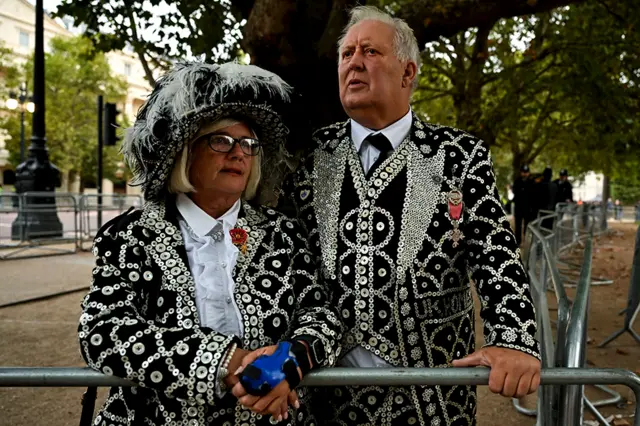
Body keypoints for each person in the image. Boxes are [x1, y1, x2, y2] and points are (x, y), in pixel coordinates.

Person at [279, 6, 540, 426]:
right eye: (346, 54)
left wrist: (513, 339)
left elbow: (496, 254)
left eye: (370, 51)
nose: (354, 62)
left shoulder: (459, 156)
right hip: (324, 397)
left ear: (408, 72)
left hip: (431, 397)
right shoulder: (309, 157)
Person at [78, 62, 342, 426]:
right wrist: (225, 360)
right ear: (186, 152)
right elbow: (102, 332)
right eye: (221, 140)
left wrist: (287, 361)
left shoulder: (284, 234)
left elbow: (321, 314)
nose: (238, 153)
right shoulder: (130, 236)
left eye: (249, 144)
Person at [513, 164, 534, 244]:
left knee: (527, 226)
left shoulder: (531, 182)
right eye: (523, 172)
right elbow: (516, 192)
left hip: (528, 208)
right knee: (518, 226)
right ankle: (518, 242)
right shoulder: (517, 181)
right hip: (518, 208)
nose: (525, 174)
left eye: (526, 172)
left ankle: (527, 242)